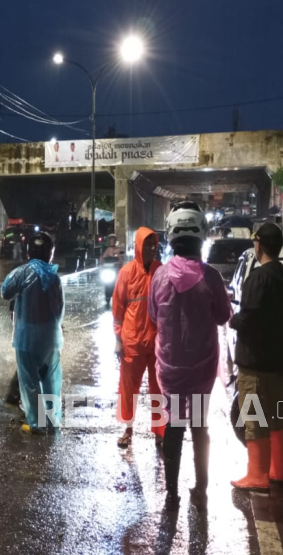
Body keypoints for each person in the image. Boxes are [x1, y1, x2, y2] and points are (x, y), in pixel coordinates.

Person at [148, 201, 232, 511]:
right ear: (201, 237)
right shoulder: (210, 277)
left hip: (170, 369)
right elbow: (223, 317)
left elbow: (154, 316)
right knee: (199, 426)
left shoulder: (159, 277)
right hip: (201, 369)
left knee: (173, 426)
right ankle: (201, 487)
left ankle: (172, 493)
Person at [230, 223, 283, 492]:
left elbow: (250, 318)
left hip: (255, 363)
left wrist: (233, 319)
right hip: (278, 363)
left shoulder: (258, 279)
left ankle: (257, 475)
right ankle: (277, 471)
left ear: (259, 246)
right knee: (277, 417)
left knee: (253, 417)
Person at [1, 232, 65, 433]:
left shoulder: (21, 273)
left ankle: (37, 425)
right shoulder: (54, 277)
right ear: (50, 253)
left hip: (26, 340)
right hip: (51, 340)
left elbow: (5, 292)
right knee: (51, 382)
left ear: (29, 251)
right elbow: (59, 309)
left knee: (30, 383)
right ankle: (53, 420)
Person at [113, 228, 164, 448]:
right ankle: (128, 429)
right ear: (138, 246)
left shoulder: (160, 271)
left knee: (159, 388)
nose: (151, 249)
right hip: (132, 341)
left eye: (154, 245)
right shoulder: (126, 272)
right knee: (128, 388)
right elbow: (117, 308)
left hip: (156, 342)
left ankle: (160, 433)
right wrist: (117, 339)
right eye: (147, 245)